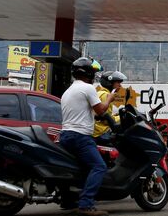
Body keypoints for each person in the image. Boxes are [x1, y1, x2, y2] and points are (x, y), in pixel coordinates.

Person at [58, 57, 118, 216]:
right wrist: (110, 99)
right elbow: (101, 110)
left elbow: (86, 112)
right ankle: (86, 205)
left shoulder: (68, 90)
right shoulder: (87, 88)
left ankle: (69, 200)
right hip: (81, 137)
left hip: (66, 135)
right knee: (99, 166)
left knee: (80, 168)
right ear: (89, 73)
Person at [93, 71, 127, 145]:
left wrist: (115, 116)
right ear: (109, 83)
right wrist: (121, 117)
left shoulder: (100, 93)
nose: (120, 86)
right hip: (101, 133)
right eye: (118, 82)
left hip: (96, 131)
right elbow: (105, 120)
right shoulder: (107, 95)